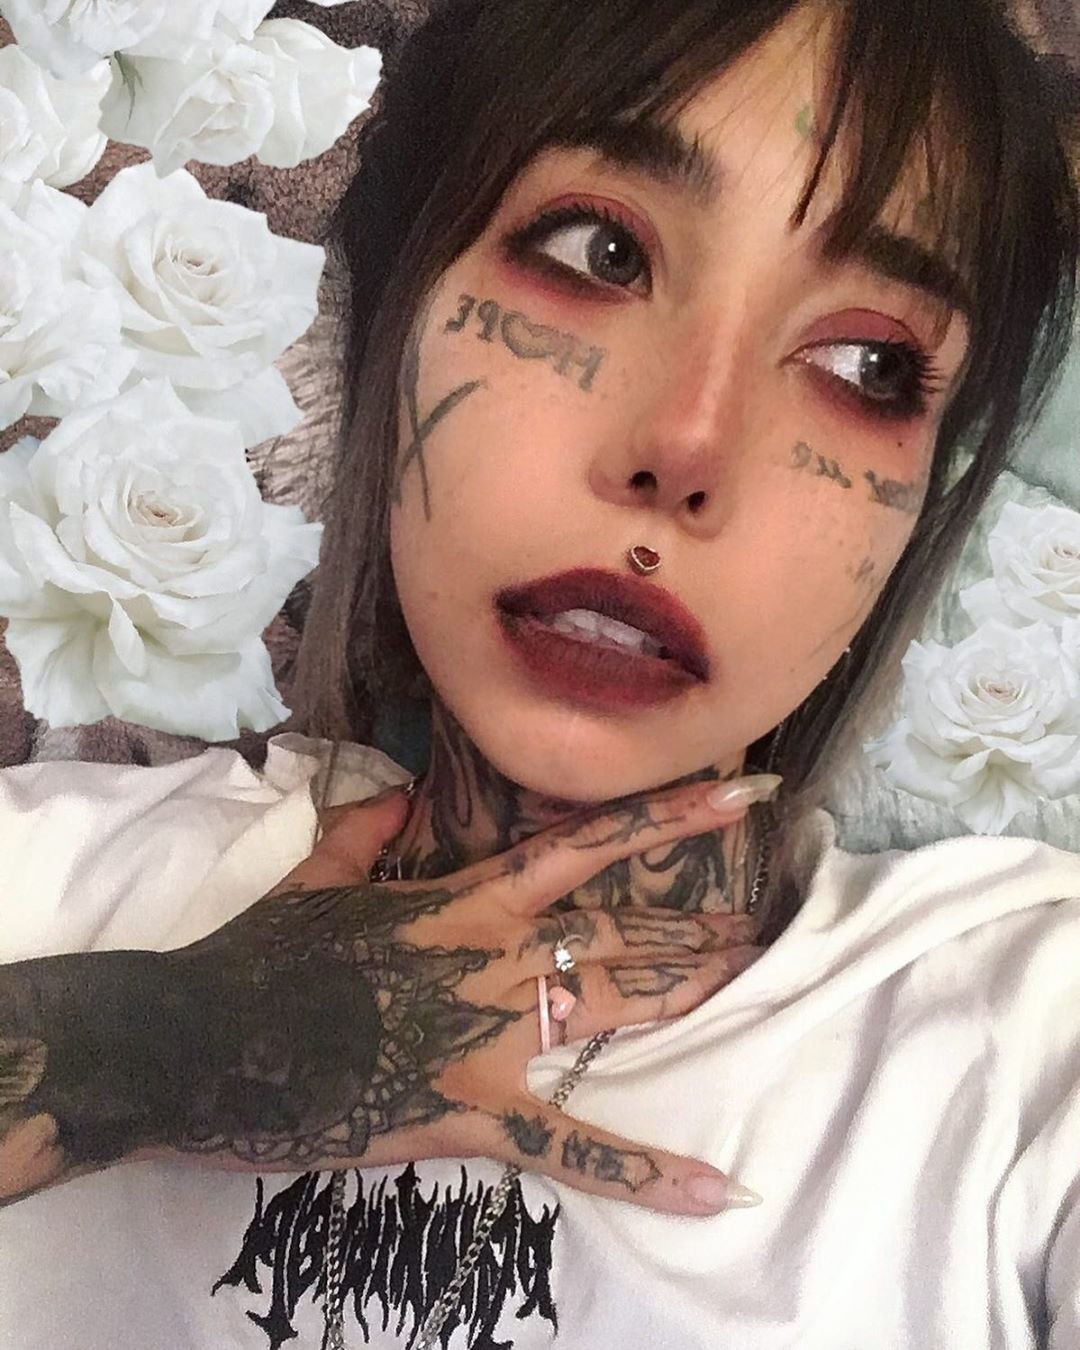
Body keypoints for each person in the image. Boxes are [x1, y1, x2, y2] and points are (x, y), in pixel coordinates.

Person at [1, 0, 1079, 1345]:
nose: (687, 445)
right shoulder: (47, 884)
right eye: (599, 250)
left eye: (867, 365)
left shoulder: (1025, 1035)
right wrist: (145, 1045)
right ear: (397, 312)